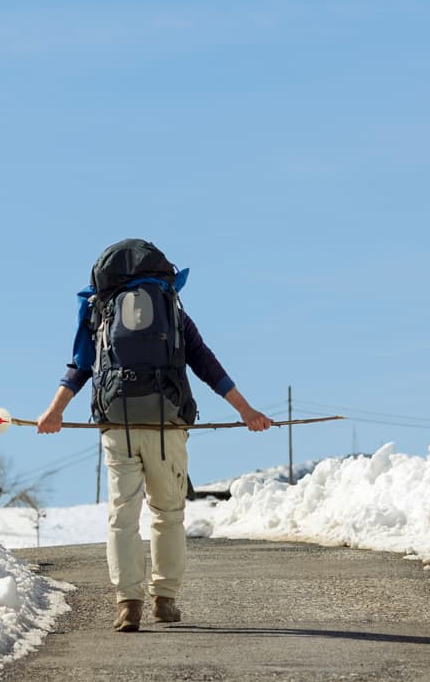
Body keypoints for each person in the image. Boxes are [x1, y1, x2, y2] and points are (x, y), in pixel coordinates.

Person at [36, 239, 272, 632]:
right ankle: (164, 599)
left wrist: (54, 410)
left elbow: (81, 364)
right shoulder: (172, 309)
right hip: (167, 423)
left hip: (118, 424)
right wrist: (245, 410)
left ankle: (128, 604)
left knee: (122, 517)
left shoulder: (101, 309)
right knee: (167, 513)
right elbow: (204, 361)